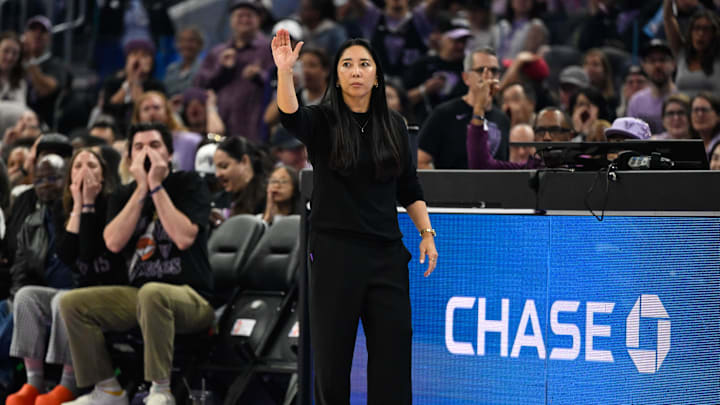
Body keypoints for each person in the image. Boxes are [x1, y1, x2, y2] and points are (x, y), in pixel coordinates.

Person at [273, 31, 437, 404]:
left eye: (364, 64)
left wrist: (426, 232)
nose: (356, 71)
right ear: (337, 75)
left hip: (386, 257)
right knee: (332, 363)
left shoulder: (394, 125)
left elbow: (409, 188)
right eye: (347, 64)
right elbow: (290, 116)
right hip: (335, 254)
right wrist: (286, 73)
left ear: (377, 75)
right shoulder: (322, 120)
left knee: (393, 362)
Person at [59, 122, 215, 405]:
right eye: (139, 147)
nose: (147, 153)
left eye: (155, 146)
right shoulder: (124, 195)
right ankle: (107, 389)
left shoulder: (190, 183)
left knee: (152, 292)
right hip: (140, 296)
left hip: (192, 296)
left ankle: (160, 389)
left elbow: (183, 237)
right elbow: (113, 242)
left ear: (169, 154)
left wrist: (156, 186)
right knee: (72, 304)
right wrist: (142, 189)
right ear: (129, 158)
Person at [5, 148, 124, 405]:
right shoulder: (63, 209)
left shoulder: (114, 202)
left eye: (91, 165)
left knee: (65, 301)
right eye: (78, 166)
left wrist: (90, 204)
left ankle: (68, 383)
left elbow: (90, 253)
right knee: (26, 296)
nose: (84, 171)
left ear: (103, 174)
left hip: (103, 289)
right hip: (74, 289)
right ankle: (33, 382)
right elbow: (68, 254)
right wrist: (79, 206)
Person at [0, 154, 69, 388]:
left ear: (67, 179)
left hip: (70, 296)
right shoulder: (31, 223)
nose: (45, 184)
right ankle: (27, 385)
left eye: (53, 178)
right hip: (39, 297)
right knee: (10, 305)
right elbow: (20, 274)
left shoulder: (79, 217)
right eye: (39, 180)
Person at [194, 0, 274, 143]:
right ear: (231, 21)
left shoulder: (269, 49)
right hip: (222, 126)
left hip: (257, 126)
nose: (244, 20)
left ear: (259, 20)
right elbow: (199, 84)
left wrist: (259, 76)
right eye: (239, 15)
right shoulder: (217, 52)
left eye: (249, 16)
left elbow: (281, 82)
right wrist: (221, 68)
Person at [417, 47, 510, 169]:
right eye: (481, 70)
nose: (489, 76)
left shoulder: (502, 119)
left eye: (494, 70)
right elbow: (420, 161)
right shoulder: (444, 114)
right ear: (466, 77)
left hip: (493, 187)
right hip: (455, 187)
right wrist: (446, 187)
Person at [467, 104, 575, 169]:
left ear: (570, 136)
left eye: (554, 131)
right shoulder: (525, 171)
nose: (546, 137)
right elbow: (481, 166)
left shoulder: (587, 173)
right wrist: (479, 109)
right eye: (540, 131)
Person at [131, 91, 203, 172]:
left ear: (167, 113)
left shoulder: (192, 140)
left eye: (156, 107)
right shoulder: (130, 147)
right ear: (138, 116)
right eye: (146, 109)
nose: (152, 113)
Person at [22, 15, 73, 127]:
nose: (37, 34)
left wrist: (30, 61)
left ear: (49, 38)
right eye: (33, 29)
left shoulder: (57, 65)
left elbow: (45, 90)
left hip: (44, 124)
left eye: (43, 31)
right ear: (25, 35)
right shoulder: (14, 61)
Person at [664, 4, 720, 97]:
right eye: (697, 28)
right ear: (690, 31)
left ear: (714, 33)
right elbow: (668, 18)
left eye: (706, 29)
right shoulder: (682, 53)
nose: (700, 34)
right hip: (683, 111)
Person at [212, 136, 271, 225]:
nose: (218, 174)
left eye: (224, 166)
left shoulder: (268, 196)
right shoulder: (219, 199)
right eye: (216, 168)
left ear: (244, 161)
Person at [626, 40, 677, 134]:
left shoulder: (682, 97)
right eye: (652, 61)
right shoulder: (636, 102)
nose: (657, 65)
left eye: (662, 60)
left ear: (674, 64)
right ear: (644, 65)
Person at [163, 26, 205, 97]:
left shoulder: (205, 69)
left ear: (200, 45)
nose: (186, 44)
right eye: (182, 40)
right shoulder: (171, 69)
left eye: (191, 40)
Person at [0, 31, 26, 105]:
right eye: (6, 51)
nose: (10, 57)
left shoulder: (21, 81)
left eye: (15, 53)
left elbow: (21, 107)